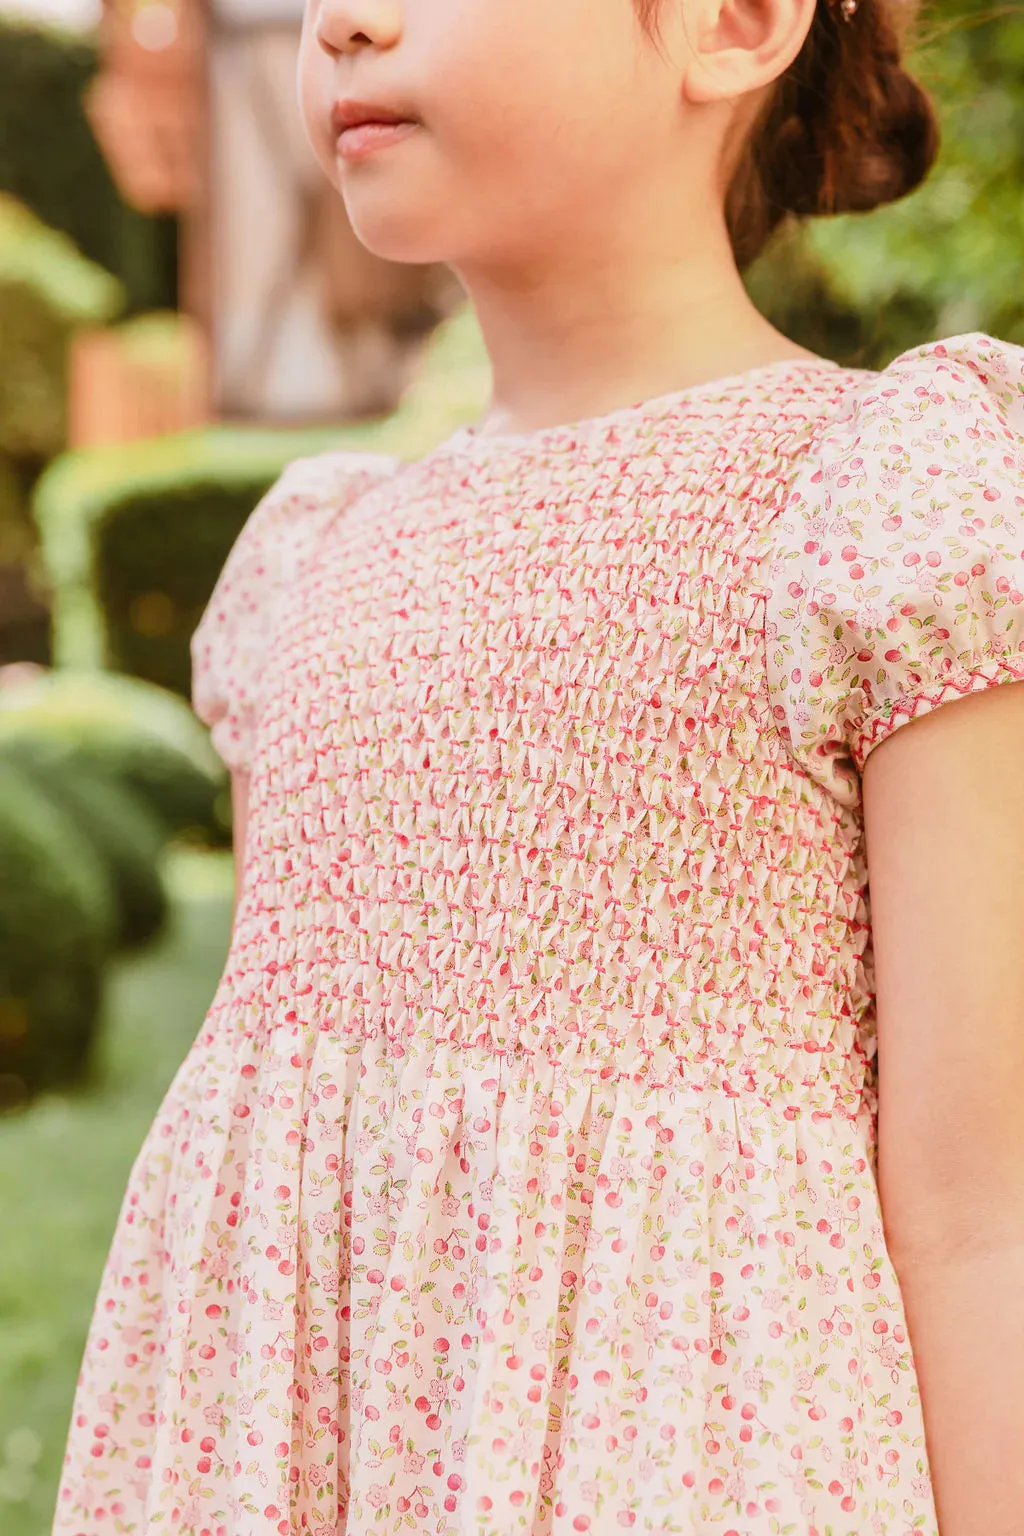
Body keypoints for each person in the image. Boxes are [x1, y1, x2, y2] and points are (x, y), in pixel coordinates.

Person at [54, 0, 1024, 1533]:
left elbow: (984, 1211)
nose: (342, 25)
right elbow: (293, 1107)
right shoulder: (313, 556)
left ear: (737, 22)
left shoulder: (884, 505)